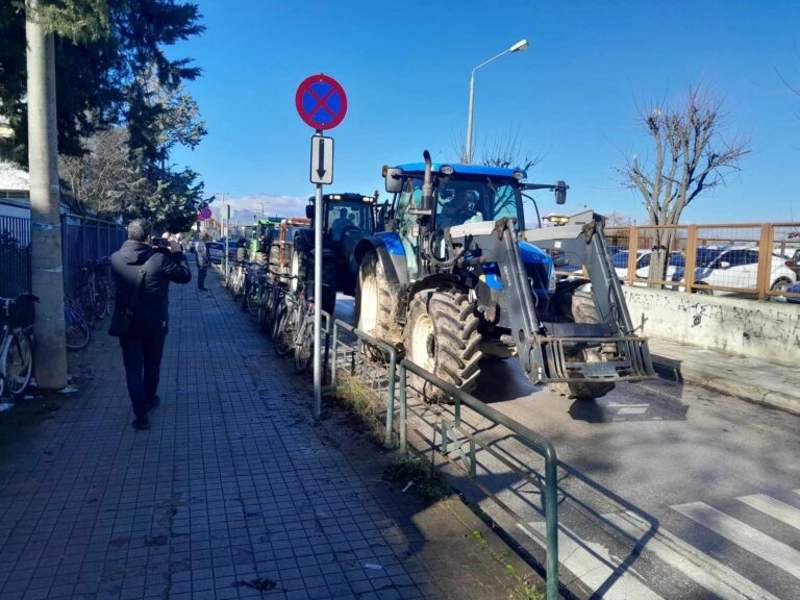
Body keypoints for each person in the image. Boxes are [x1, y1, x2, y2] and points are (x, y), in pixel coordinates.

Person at [109, 218, 192, 430]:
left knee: (132, 370)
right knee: (152, 365)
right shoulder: (159, 259)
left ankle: (141, 416)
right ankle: (150, 399)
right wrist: (177, 252)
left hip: (127, 322)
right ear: (148, 237)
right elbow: (185, 276)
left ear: (129, 235)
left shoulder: (115, 258)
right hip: (155, 323)